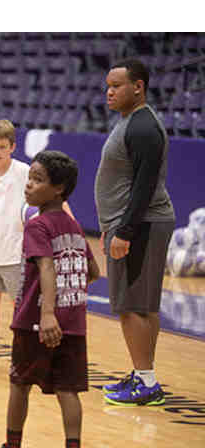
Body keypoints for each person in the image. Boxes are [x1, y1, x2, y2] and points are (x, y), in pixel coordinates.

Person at [0, 150, 101, 448]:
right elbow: (92, 270)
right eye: (29, 178)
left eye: (38, 180)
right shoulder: (74, 227)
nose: (29, 185)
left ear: (59, 188)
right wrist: (67, 296)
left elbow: (46, 265)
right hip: (74, 322)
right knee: (68, 389)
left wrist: (48, 312)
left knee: (19, 384)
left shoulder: (38, 225)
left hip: (37, 322)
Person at [0, 119, 73, 368]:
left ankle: (26, 352)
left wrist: (69, 219)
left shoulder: (24, 172)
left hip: (17, 253)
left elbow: (53, 195)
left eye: (2, 146)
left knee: (20, 307)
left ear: (12, 146)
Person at [95, 58, 175, 406]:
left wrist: (124, 230)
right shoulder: (133, 121)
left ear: (138, 86)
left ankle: (146, 381)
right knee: (143, 304)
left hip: (140, 225)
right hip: (133, 223)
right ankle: (143, 373)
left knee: (131, 306)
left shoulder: (143, 127)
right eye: (108, 86)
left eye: (117, 86)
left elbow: (143, 186)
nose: (109, 92)